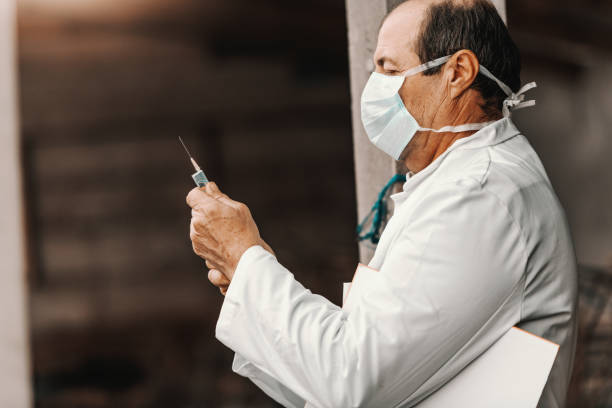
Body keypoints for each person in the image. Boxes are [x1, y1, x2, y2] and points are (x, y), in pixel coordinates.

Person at [185, 0, 578, 406]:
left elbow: (355, 380)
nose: (375, 87)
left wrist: (246, 260)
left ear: (457, 73)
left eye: (390, 70)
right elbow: (338, 379)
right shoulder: (451, 185)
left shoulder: (481, 195)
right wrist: (246, 281)